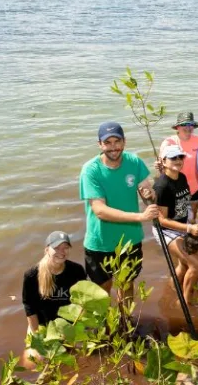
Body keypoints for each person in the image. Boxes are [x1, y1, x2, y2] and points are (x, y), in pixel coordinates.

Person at [79, 122, 159, 303]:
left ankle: (126, 323)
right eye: (108, 142)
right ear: (100, 144)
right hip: (100, 242)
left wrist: (148, 194)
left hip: (130, 239)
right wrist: (140, 216)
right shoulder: (90, 170)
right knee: (102, 289)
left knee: (127, 284)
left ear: (124, 142)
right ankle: (106, 327)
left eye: (117, 141)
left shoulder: (134, 162)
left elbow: (145, 189)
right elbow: (100, 210)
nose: (113, 147)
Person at [22, 232, 86, 362]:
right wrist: (38, 337)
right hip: (42, 325)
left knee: (81, 356)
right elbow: (30, 309)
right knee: (34, 361)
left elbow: (82, 302)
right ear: (47, 250)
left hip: (69, 324)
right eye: (56, 248)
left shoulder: (77, 270)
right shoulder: (31, 275)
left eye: (65, 248)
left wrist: (72, 330)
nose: (62, 252)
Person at [153, 145, 198, 303]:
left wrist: (191, 220)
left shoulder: (181, 177)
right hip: (166, 230)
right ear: (164, 161)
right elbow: (162, 220)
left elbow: (184, 203)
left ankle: (172, 290)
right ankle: (185, 302)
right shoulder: (161, 186)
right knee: (196, 265)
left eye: (180, 157)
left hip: (182, 225)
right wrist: (189, 228)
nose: (177, 160)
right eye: (173, 158)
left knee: (183, 264)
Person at [159, 112, 198, 222]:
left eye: (191, 125)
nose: (188, 128)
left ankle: (192, 231)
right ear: (177, 127)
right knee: (179, 217)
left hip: (196, 186)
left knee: (193, 217)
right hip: (178, 189)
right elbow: (161, 167)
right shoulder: (169, 142)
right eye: (185, 125)